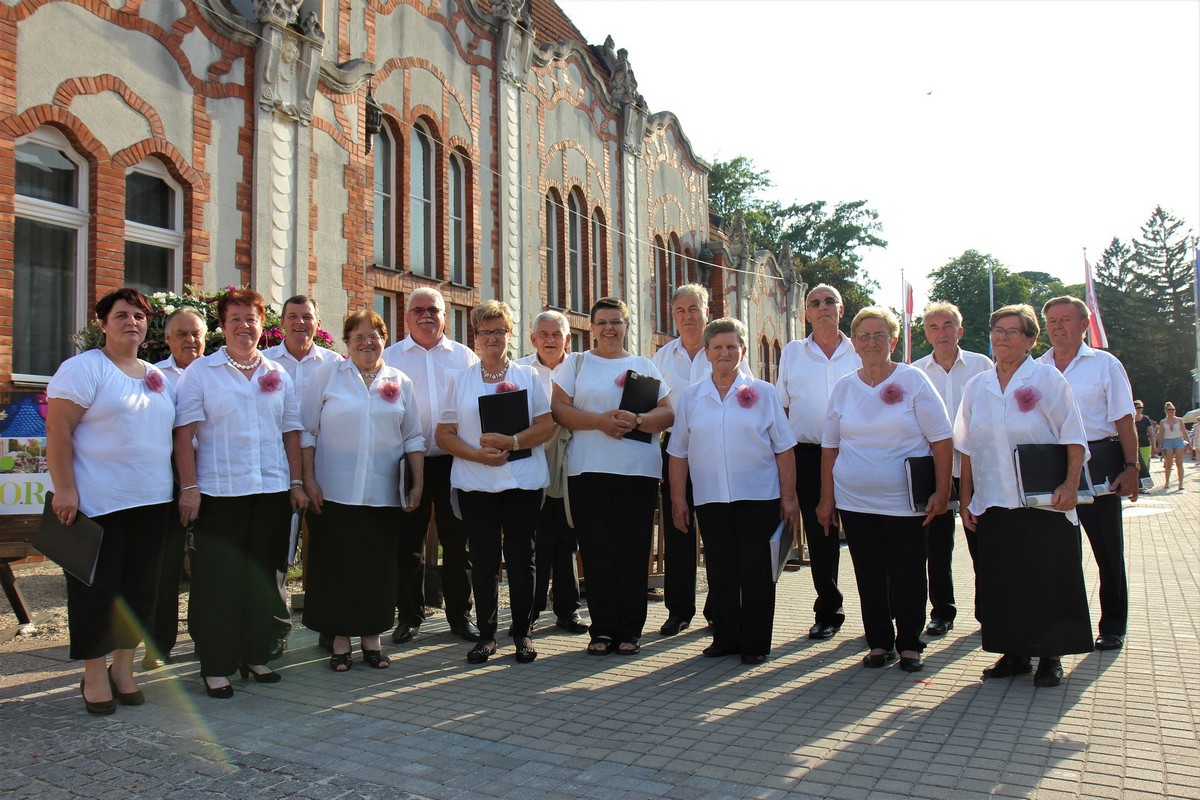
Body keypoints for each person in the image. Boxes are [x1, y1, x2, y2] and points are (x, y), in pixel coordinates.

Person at [46, 288, 176, 715]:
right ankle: (94, 673)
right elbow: (59, 431)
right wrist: (64, 488)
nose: (131, 323)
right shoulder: (84, 369)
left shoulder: (157, 376)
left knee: (140, 592)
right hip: (98, 505)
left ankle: (124, 668)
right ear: (103, 324)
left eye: (139, 316)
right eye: (121, 315)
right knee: (95, 593)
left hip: (152, 502)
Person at [174, 289, 308, 698]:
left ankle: (254, 654)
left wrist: (297, 484)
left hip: (269, 491)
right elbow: (185, 435)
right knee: (218, 581)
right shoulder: (202, 372)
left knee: (260, 579)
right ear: (222, 324)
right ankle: (216, 664)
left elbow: (291, 434)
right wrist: (189, 488)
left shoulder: (277, 374)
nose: (243, 325)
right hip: (220, 493)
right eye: (235, 317)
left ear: (261, 324)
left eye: (251, 318)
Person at [957, 304, 1093, 688]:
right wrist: (966, 497)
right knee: (1004, 580)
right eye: (997, 330)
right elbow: (965, 447)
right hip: (995, 500)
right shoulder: (977, 385)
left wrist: (1069, 485)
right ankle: (1013, 652)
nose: (1002, 337)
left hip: (1044, 500)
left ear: (1032, 339)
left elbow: (1073, 436)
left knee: (1048, 577)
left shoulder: (1048, 380)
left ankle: (1050, 655)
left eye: (1012, 331)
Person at [817, 308, 953, 672]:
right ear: (855, 343)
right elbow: (830, 446)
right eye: (864, 336)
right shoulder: (845, 386)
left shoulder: (914, 381)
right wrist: (827, 498)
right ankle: (880, 643)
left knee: (909, 573)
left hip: (906, 503)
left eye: (880, 335)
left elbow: (941, 440)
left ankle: (910, 643)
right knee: (869, 574)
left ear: (893, 341)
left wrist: (942, 491)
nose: (872, 342)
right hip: (855, 501)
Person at [300, 310, 425, 672]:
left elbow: (413, 436)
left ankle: (372, 641)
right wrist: (308, 480)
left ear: (385, 339)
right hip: (333, 492)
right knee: (336, 568)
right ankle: (339, 641)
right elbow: (308, 431)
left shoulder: (400, 381)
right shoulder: (325, 375)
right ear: (347, 342)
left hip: (383, 494)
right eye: (359, 336)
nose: (368, 342)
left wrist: (416, 483)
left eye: (375, 335)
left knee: (376, 569)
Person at [667, 318, 798, 664]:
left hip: (759, 497)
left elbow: (784, 449)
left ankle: (755, 643)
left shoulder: (764, 394)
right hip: (711, 498)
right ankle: (726, 637)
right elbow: (678, 452)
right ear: (707, 353)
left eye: (731, 346)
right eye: (718, 347)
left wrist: (789, 498)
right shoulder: (692, 398)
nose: (724, 353)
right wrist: (678, 500)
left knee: (756, 572)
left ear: (742, 351)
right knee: (721, 569)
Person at [552, 297, 673, 656]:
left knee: (633, 551)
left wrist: (637, 421)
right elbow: (559, 409)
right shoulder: (576, 364)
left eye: (616, 322)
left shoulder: (644, 364)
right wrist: (599, 422)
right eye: (602, 322)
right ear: (591, 327)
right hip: (589, 470)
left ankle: (630, 630)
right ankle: (601, 628)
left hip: (638, 473)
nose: (609, 328)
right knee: (597, 551)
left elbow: (667, 413)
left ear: (627, 326)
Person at [436, 301, 555, 664]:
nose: (492, 337)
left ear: (510, 334)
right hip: (476, 483)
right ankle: (487, 636)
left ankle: (523, 633)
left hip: (522, 482)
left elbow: (547, 426)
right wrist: (476, 455)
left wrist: (513, 442)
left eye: (499, 330)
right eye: (485, 331)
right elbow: (444, 434)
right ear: (475, 336)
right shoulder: (461, 379)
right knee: (484, 560)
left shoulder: (529, 376)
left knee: (523, 558)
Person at [1039, 296, 1137, 651]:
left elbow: (1124, 417)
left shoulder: (1104, 364)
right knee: (1058, 553)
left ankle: (1112, 625)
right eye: (1051, 320)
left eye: (1065, 319)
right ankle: (1063, 625)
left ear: (1084, 324)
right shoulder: (1037, 368)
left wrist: (1131, 467)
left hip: (1099, 461)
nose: (1057, 326)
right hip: (1052, 465)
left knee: (1107, 550)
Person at [382, 288, 480, 643]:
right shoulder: (390, 358)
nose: (426, 316)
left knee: (458, 544)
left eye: (433, 310)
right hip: (409, 461)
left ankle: (460, 616)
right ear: (406, 316)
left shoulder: (465, 357)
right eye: (418, 310)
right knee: (408, 543)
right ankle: (409, 615)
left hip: (456, 460)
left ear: (446, 315)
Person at [653, 284, 748, 636]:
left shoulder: (725, 350)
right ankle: (679, 609)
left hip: (718, 453)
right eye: (680, 310)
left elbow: (746, 396)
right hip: (675, 454)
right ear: (673, 315)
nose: (688, 316)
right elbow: (652, 408)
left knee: (718, 532)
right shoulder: (661, 358)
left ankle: (717, 606)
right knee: (678, 530)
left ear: (707, 311)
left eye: (694, 308)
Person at [774, 284, 861, 641]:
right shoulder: (793, 353)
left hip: (856, 453)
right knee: (821, 534)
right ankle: (828, 610)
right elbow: (781, 408)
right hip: (808, 454)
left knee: (864, 533)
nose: (822, 307)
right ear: (805, 313)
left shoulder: (861, 349)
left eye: (830, 302)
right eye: (815, 303)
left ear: (841, 309)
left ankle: (880, 612)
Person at [263, 294, 337, 657]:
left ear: (317, 321)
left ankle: (328, 625)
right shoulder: (265, 365)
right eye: (292, 316)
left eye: (307, 316)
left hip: (325, 470)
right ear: (281, 322)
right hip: (278, 471)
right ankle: (276, 629)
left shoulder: (336, 363)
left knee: (325, 553)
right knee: (280, 554)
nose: (300, 323)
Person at [912, 302, 992, 633]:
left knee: (983, 544)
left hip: (979, 467)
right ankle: (942, 612)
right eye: (933, 327)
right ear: (927, 334)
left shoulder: (982, 366)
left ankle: (989, 612)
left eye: (948, 326)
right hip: (935, 468)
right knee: (936, 546)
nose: (941, 332)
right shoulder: (915, 372)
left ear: (960, 331)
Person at [515, 311, 588, 634]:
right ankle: (529, 611)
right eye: (542, 333)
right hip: (531, 461)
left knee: (566, 539)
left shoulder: (579, 369)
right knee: (535, 539)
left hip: (570, 463)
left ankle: (567, 609)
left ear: (567, 339)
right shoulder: (519, 371)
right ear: (532, 339)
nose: (549, 339)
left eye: (556, 334)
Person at [144, 306, 208, 670]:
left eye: (196, 333)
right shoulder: (153, 376)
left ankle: (204, 636)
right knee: (164, 566)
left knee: (207, 563)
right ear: (167, 339)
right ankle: (158, 643)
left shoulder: (216, 371)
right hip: (167, 479)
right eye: (182, 333)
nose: (190, 340)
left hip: (212, 476)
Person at [1158, 402, 1186, 491]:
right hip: (1167, 441)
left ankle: (1181, 484)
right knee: (1168, 464)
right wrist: (1159, 446)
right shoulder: (1163, 422)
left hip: (1178, 440)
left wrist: (1188, 443)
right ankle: (1167, 482)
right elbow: (1161, 434)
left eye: (1173, 409)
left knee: (1179, 463)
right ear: (1166, 411)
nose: (1171, 411)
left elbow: (1184, 431)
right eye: (1169, 410)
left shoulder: (1179, 420)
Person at [1133, 400, 1154, 472]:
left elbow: (1151, 433)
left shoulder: (1146, 419)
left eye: (1141, 407)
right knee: (1134, 465)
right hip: (1133, 445)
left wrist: (1154, 446)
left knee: (1145, 465)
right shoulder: (1130, 419)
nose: (1140, 409)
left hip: (1145, 444)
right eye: (1138, 407)